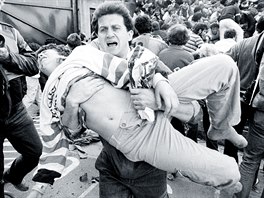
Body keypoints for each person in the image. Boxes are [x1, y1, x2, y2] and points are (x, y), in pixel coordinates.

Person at [30, 1, 247, 197]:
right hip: (119, 162)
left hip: (152, 164)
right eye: (102, 30)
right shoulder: (85, 65)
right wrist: (71, 104)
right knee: (228, 170)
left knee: (225, 65)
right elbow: (73, 133)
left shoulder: (149, 61)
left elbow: (193, 114)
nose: (108, 34)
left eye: (115, 28)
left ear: (130, 34)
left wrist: (156, 98)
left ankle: (221, 127)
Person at [27, 43, 169, 198]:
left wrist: (159, 81)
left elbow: (131, 69)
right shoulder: (48, 99)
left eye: (45, 52)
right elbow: (68, 135)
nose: (40, 55)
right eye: (38, 55)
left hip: (149, 161)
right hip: (112, 165)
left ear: (62, 55)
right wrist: (71, 103)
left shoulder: (83, 58)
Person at [0, 0, 42, 197]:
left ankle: (13, 176)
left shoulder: (10, 31)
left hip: (16, 110)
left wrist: (8, 57)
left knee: (34, 152)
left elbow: (34, 64)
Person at [234, 25, 264, 198]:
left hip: (260, 107)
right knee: (250, 159)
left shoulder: (257, 40)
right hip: (260, 107)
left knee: (250, 159)